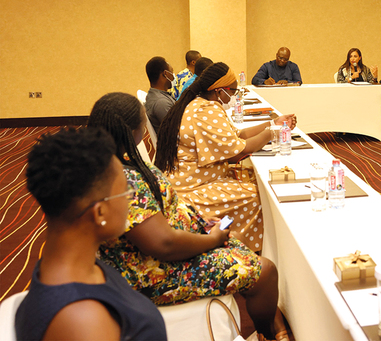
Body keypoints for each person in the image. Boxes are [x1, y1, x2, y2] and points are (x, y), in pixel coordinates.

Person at [87, 92, 288, 340]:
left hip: (158, 254)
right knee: (266, 271)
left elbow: (161, 214)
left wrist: (201, 223)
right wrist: (211, 239)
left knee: (238, 243)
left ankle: (272, 325)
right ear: (134, 131)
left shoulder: (120, 161)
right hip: (151, 273)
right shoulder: (122, 179)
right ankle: (267, 333)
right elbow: (163, 244)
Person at [16, 127, 167, 341]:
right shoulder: (83, 320)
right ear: (100, 212)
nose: (130, 200)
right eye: (126, 192)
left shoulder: (72, 264)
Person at [155, 62, 296, 253]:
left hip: (196, 179)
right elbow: (239, 152)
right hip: (191, 188)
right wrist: (273, 132)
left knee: (256, 180)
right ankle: (247, 251)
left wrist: (273, 123)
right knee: (258, 196)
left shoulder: (201, 104)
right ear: (219, 91)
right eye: (233, 91)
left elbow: (238, 135)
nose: (235, 96)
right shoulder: (205, 110)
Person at [144, 56, 176, 135]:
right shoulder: (161, 102)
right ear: (165, 74)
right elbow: (177, 131)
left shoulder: (156, 95)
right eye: (172, 72)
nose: (173, 76)